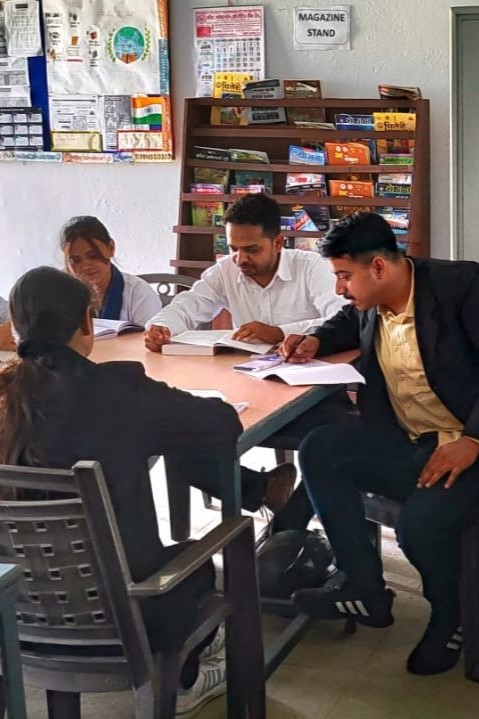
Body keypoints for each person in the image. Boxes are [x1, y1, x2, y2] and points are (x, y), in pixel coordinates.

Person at [0, 266, 276, 714]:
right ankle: (189, 677)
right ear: (87, 322)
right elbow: (222, 424)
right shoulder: (120, 391)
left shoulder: (8, 397)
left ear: (15, 327)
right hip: (131, 614)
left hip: (18, 615)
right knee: (206, 564)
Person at [280, 211, 479, 676]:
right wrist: (314, 340)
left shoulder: (462, 288)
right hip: (411, 442)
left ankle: (450, 616)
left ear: (378, 267)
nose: (339, 289)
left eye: (343, 276)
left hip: (467, 449)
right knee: (320, 449)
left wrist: (473, 439)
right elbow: (347, 320)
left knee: (418, 525)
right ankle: (365, 588)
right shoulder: (372, 301)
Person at [146, 193, 353, 534]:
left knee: (334, 448)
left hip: (313, 393)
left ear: (278, 242)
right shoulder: (226, 271)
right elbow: (189, 305)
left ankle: (286, 531)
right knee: (182, 441)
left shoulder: (310, 267)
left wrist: (280, 332)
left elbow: (342, 316)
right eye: (234, 248)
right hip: (251, 390)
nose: (241, 259)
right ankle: (264, 490)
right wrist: (161, 326)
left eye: (252, 249)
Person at [60, 215, 162, 326]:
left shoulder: (139, 294)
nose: (85, 266)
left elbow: (149, 335)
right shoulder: (58, 291)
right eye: (75, 260)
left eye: (93, 255)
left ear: (111, 248)